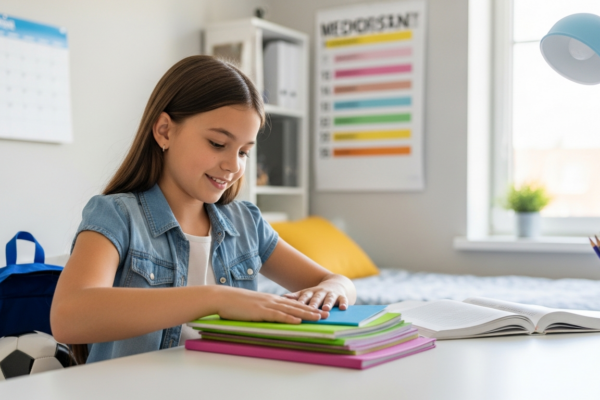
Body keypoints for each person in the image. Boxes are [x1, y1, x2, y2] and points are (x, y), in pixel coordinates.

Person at [50, 55, 356, 364]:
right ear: (165, 131)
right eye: (217, 143)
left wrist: (334, 288)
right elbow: (67, 316)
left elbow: (337, 282)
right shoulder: (117, 216)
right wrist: (217, 299)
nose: (233, 165)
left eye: (244, 152)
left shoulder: (246, 223)